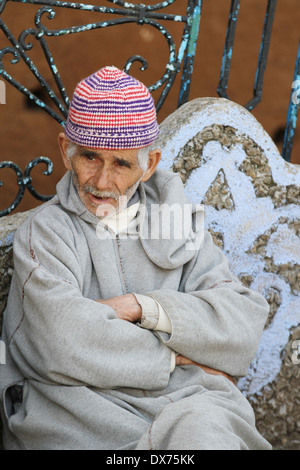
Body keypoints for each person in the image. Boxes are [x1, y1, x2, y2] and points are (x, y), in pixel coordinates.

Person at [0, 66, 271, 450]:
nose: (102, 181)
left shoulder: (179, 222)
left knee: (205, 435)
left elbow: (241, 325)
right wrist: (180, 358)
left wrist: (142, 306)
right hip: (82, 416)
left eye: (122, 164)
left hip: (189, 404)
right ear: (66, 150)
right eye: (90, 157)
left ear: (150, 164)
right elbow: (64, 343)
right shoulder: (45, 234)